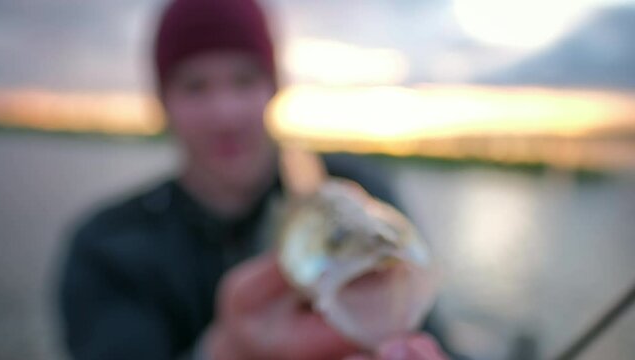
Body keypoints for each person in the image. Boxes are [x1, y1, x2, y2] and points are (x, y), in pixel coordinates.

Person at [58, 0, 452, 359]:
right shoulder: (106, 247)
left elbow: (428, 332)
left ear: (274, 87)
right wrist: (227, 350)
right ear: (163, 102)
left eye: (244, 80)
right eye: (195, 86)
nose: (225, 114)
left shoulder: (362, 187)